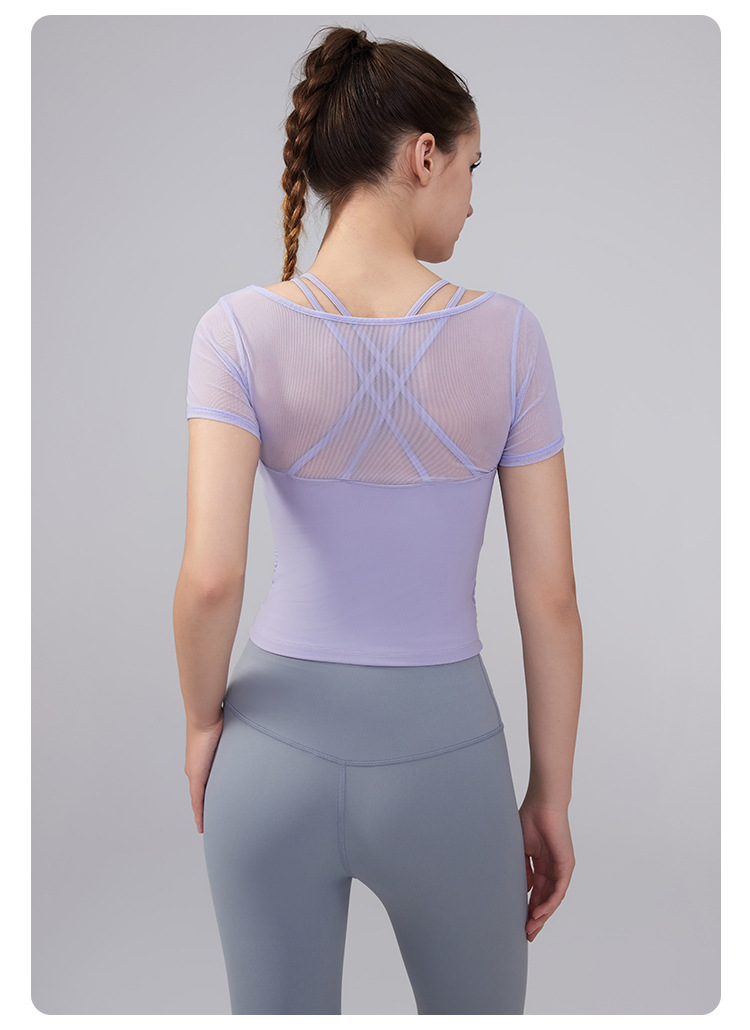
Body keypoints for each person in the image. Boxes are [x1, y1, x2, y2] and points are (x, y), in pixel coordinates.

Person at [173, 25, 583, 1016]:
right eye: (472, 167)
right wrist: (550, 794)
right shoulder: (510, 339)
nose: (473, 198)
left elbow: (210, 579)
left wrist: (200, 722)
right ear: (424, 155)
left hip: (268, 753)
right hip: (446, 765)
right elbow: (551, 599)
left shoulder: (234, 333)